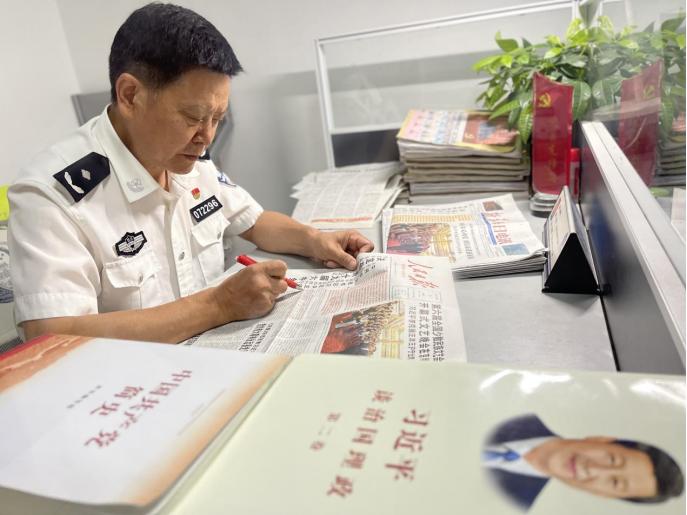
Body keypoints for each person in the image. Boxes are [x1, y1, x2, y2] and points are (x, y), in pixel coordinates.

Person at [8, 3, 373, 344]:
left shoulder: (186, 157)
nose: (207, 137)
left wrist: (314, 239)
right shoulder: (53, 196)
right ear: (131, 95)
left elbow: (256, 221)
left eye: (217, 119)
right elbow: (53, 337)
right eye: (193, 117)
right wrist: (218, 306)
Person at [482, 413, 684, 510]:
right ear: (602, 439)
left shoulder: (514, 503)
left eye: (614, 483)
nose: (593, 470)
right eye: (612, 459)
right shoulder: (517, 413)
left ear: (603, 494)